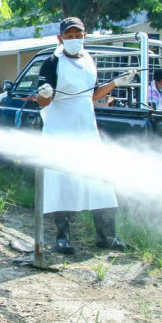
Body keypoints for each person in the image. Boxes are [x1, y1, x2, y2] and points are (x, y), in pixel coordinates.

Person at [36, 17, 134, 254]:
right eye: (68, 36)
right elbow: (42, 100)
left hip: (86, 130)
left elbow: (89, 95)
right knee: (63, 182)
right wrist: (45, 93)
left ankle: (107, 236)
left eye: (77, 36)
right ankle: (62, 236)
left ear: (84, 36)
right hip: (60, 131)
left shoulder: (89, 60)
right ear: (60, 39)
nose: (73, 40)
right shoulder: (51, 63)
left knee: (99, 180)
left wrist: (115, 83)